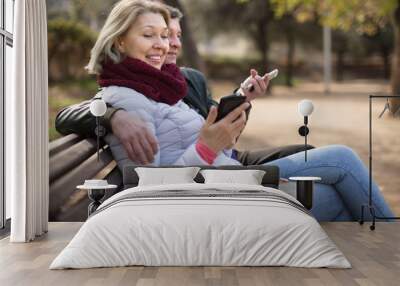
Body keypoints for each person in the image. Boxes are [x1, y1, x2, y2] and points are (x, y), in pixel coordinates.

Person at [56, 0, 394, 221]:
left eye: (166, 35)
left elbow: (202, 143)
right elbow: (153, 189)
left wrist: (227, 129)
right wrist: (207, 145)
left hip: (225, 181)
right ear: (118, 42)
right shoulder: (127, 100)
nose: (163, 45)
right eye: (150, 36)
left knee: (341, 192)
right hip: (211, 200)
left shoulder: (160, 89)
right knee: (344, 168)